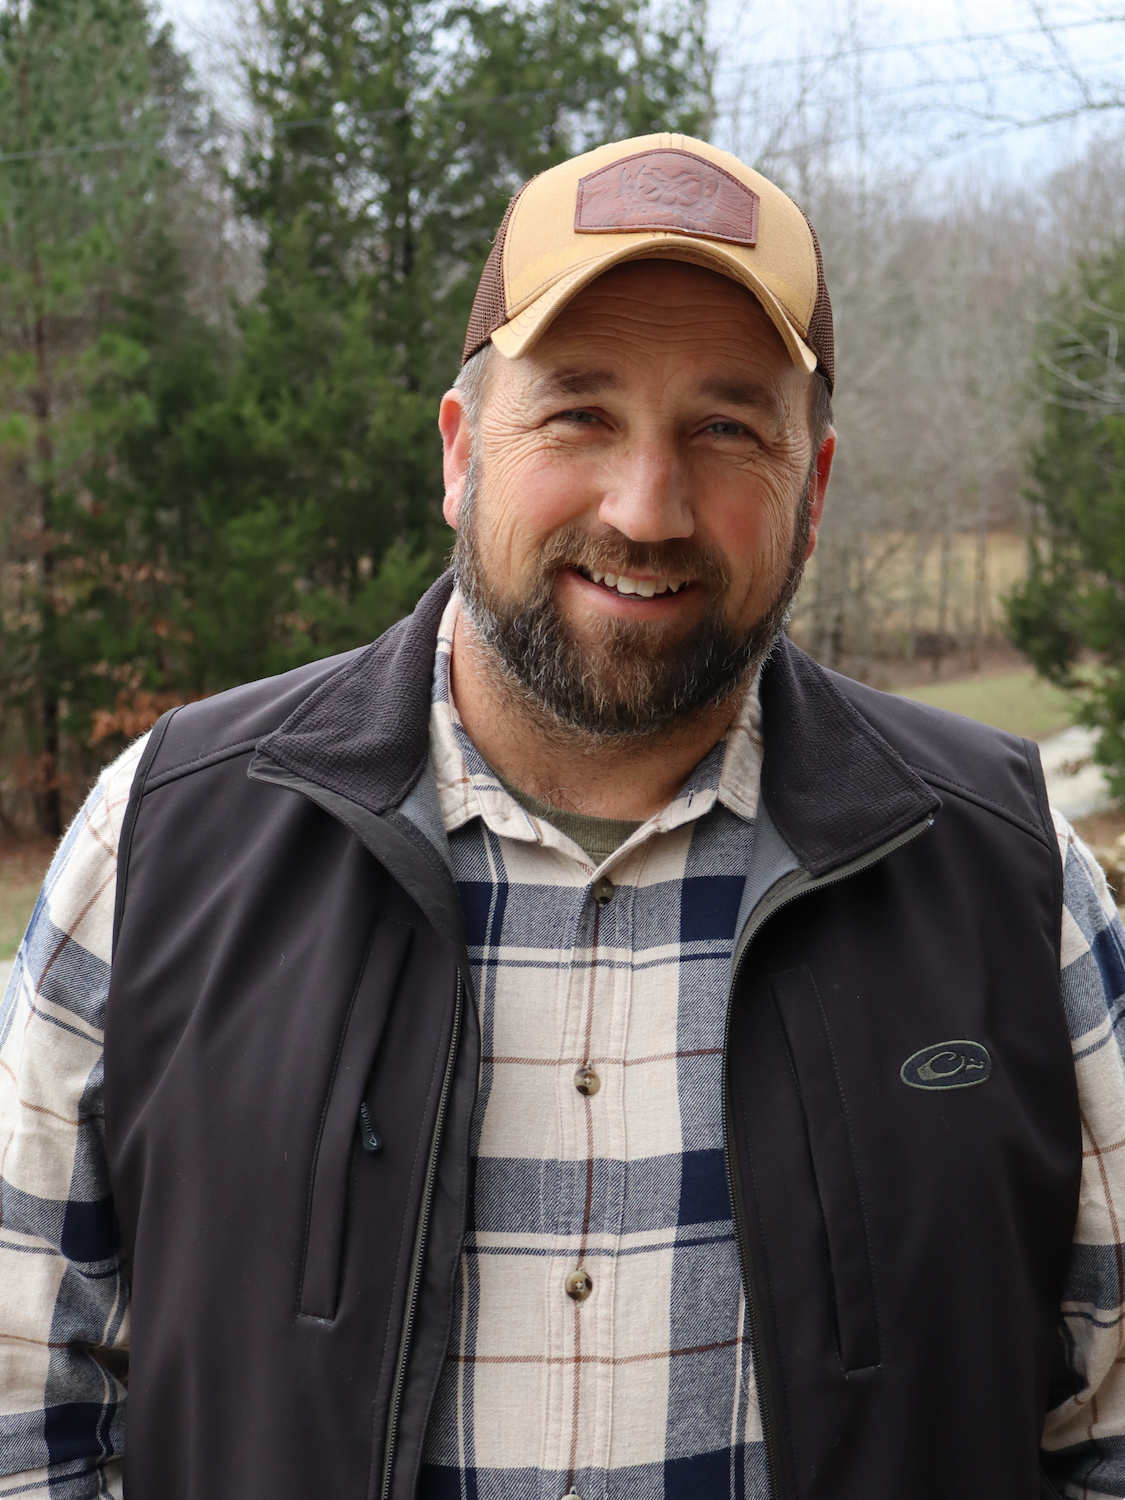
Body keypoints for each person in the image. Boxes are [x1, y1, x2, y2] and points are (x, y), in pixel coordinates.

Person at [0, 132, 1122, 1500]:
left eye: (727, 429)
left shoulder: (1012, 880)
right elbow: (26, 1428)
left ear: (815, 493)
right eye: (580, 413)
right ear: (462, 452)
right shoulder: (162, 847)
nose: (646, 509)